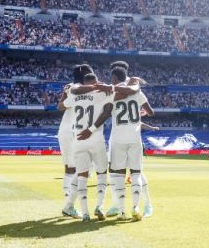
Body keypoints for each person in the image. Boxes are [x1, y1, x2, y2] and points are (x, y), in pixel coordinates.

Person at [102, 66, 153, 221]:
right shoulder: (137, 91)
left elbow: (105, 109)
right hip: (134, 138)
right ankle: (136, 206)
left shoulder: (113, 92)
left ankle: (122, 211)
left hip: (117, 139)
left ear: (115, 79)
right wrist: (139, 112)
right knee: (136, 173)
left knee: (117, 175)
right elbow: (150, 112)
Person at [61, 73, 112, 222]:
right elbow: (107, 112)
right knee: (102, 173)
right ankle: (99, 206)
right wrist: (91, 129)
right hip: (95, 139)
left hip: (78, 140)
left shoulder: (75, 92)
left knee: (82, 175)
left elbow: (61, 106)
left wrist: (67, 91)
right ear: (95, 81)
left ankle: (85, 214)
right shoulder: (102, 92)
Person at [58, 64, 93, 219]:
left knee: (70, 168)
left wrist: (64, 94)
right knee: (81, 169)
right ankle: (69, 205)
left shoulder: (70, 87)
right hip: (74, 131)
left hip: (65, 131)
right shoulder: (81, 88)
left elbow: (60, 107)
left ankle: (68, 202)